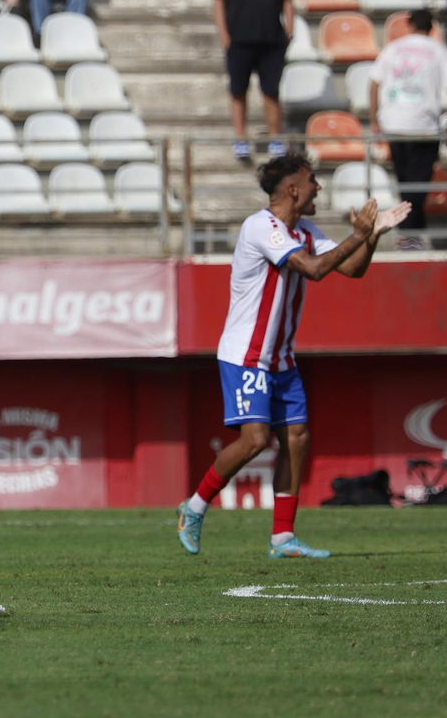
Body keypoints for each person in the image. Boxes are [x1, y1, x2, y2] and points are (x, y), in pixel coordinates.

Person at [175, 154, 410, 560]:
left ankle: (282, 537)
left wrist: (372, 236)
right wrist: (359, 234)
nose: (319, 187)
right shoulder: (261, 227)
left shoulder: (304, 229)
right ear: (293, 189)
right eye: (313, 180)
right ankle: (193, 507)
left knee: (296, 438)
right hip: (246, 355)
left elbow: (352, 269)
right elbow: (314, 269)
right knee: (255, 441)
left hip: (280, 358)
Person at [369, 9, 447, 239]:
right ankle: (410, 235)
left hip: (395, 124)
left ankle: (410, 236)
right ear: (432, 27)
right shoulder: (438, 50)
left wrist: (374, 118)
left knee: (405, 182)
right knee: (418, 186)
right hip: (425, 127)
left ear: (409, 25)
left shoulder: (393, 48)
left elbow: (374, 83)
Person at [213, 0, 292, 162]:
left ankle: (275, 138)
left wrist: (289, 31)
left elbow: (287, 0)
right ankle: (240, 138)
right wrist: (225, 36)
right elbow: (218, 2)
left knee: (271, 92)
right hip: (239, 43)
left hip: (271, 43)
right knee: (238, 91)